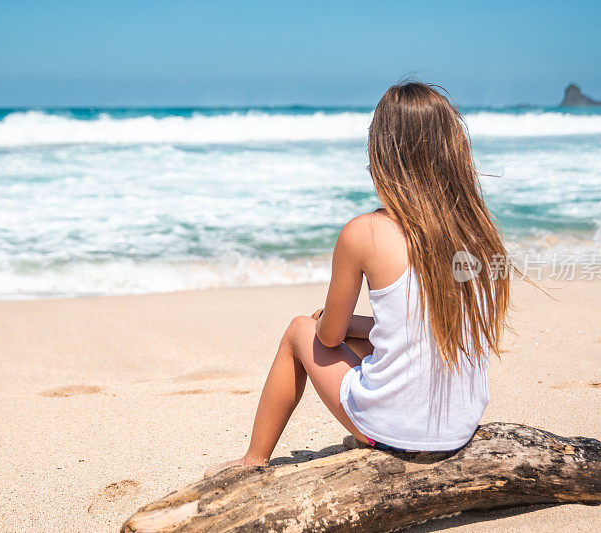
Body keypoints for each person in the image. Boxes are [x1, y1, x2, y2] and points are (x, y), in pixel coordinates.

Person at [205, 81, 510, 477]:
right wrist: (354, 326)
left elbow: (328, 339)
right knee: (353, 331)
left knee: (301, 329)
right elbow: (427, 326)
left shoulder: (364, 232)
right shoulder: (480, 234)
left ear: (381, 155)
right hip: (458, 429)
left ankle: (253, 461)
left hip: (393, 433)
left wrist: (331, 323)